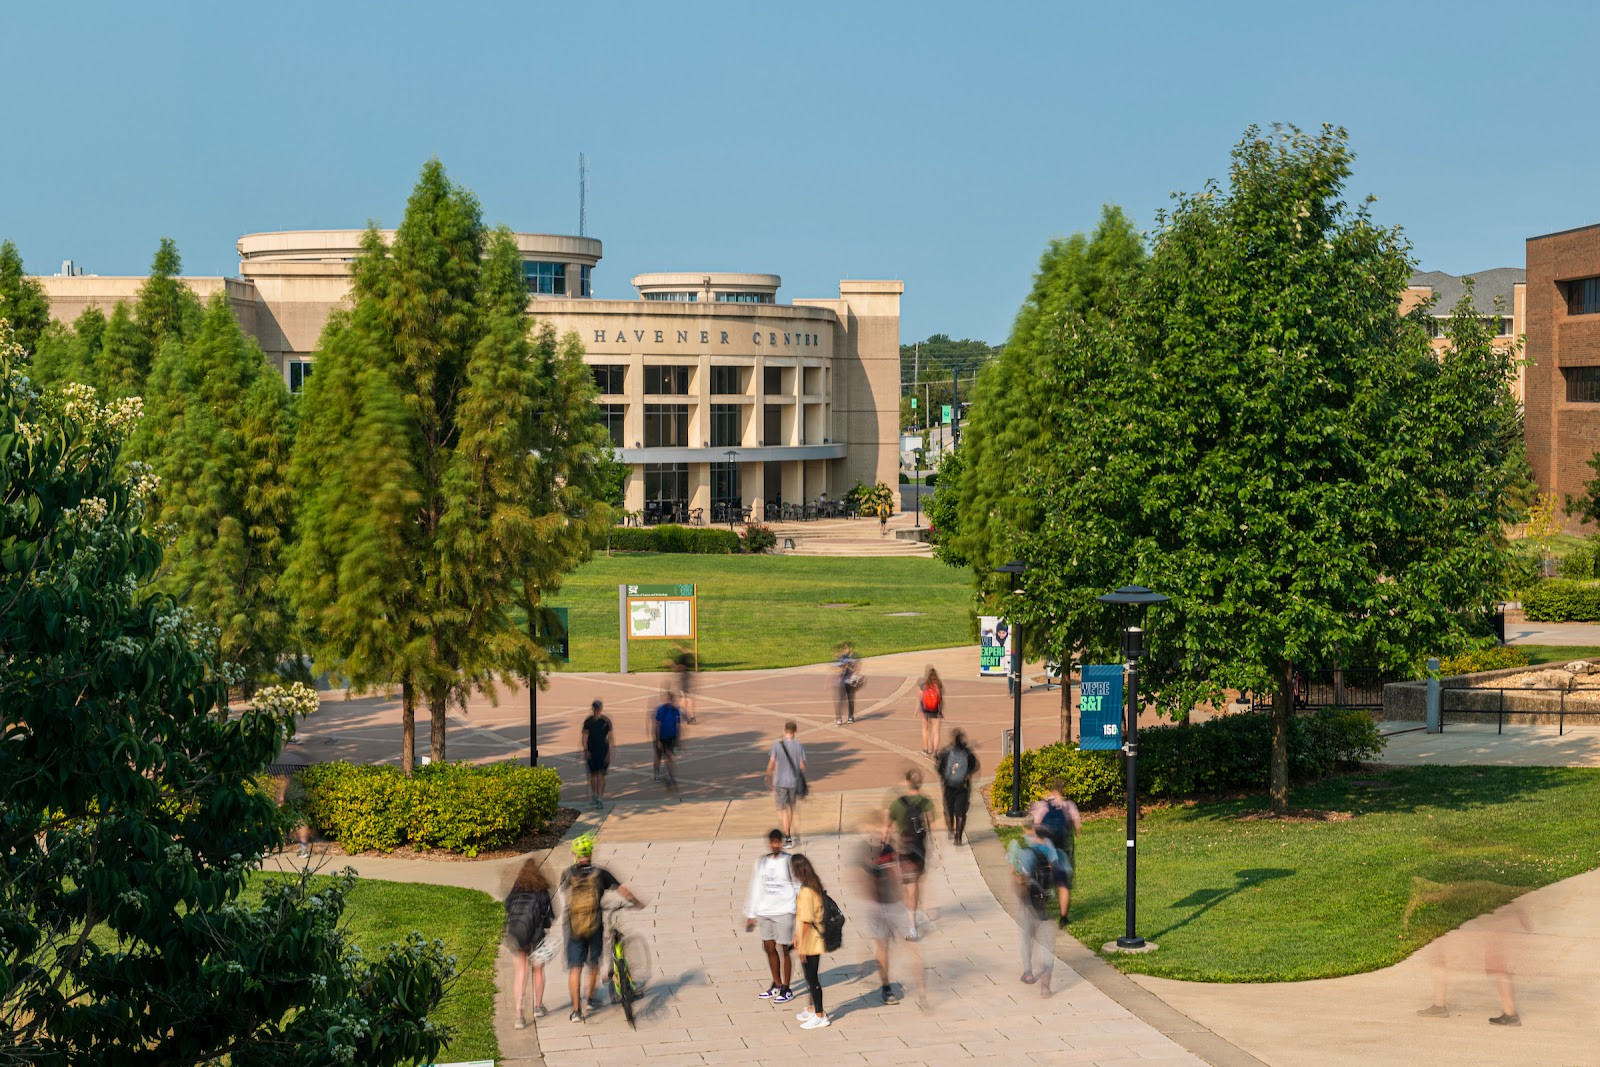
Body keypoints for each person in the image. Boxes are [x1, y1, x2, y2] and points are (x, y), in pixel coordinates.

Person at [560, 833, 642, 1023]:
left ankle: (576, 1011)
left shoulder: (567, 874)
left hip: (574, 925)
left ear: (575, 854)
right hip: (594, 923)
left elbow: (566, 894)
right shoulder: (600, 873)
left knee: (575, 967)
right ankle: (589, 1000)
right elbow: (622, 889)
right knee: (593, 963)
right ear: (590, 853)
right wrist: (636, 902)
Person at [857, 817, 923, 1007]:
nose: (882, 833)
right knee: (883, 946)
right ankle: (886, 987)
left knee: (906, 946)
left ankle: (918, 987)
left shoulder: (890, 850)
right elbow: (861, 879)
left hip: (894, 905)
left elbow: (899, 873)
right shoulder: (866, 852)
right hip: (877, 907)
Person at [744, 829, 800, 1005]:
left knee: (785, 949)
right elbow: (755, 885)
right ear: (769, 843)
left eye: (778, 842)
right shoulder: (761, 862)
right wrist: (751, 913)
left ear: (782, 842)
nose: (776, 845)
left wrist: (798, 910)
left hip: (784, 911)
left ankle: (786, 987)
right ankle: (776, 983)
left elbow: (798, 885)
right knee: (768, 947)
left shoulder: (789, 861)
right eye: (773, 842)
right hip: (764, 911)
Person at [1007, 823, 1063, 995]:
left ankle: (1028, 972)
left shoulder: (1016, 845)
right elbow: (1056, 870)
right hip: (1045, 899)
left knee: (1026, 937)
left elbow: (1014, 873)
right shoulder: (1048, 845)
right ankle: (1045, 984)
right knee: (1047, 943)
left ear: (1024, 830)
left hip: (1027, 901)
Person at [504, 857, 556, 1027]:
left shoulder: (516, 889)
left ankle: (518, 1015)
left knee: (520, 972)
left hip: (518, 934)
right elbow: (550, 916)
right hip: (536, 934)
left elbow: (507, 907)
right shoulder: (542, 890)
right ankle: (538, 1007)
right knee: (538, 970)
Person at [885, 769, 935, 940]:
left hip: (903, 849)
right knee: (915, 883)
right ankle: (915, 914)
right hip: (920, 849)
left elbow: (886, 827)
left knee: (907, 886)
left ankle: (911, 923)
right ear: (920, 783)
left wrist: (884, 842)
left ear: (907, 782)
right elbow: (932, 827)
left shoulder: (897, 803)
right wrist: (936, 847)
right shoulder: (926, 803)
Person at [1028, 778, 1081, 925]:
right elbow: (1077, 827)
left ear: (1050, 791)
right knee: (1063, 884)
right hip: (1061, 849)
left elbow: (1035, 825)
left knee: (1041, 877)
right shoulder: (1069, 806)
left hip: (1043, 848)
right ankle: (1064, 918)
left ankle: (1041, 908)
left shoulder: (1042, 805)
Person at [790, 853, 832, 1029]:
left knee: (812, 978)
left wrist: (801, 946)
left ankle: (820, 1014)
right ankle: (811, 1008)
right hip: (813, 937)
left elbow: (806, 920)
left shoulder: (807, 891)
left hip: (811, 941)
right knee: (809, 977)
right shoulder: (813, 885)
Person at [765, 721, 807, 847]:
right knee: (791, 808)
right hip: (793, 782)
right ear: (795, 732)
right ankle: (796, 836)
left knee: (781, 810)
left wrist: (768, 775)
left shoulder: (776, 745)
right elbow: (802, 766)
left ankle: (787, 836)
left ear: (784, 731)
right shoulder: (799, 746)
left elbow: (771, 763)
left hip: (780, 782)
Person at [935, 729, 979, 845]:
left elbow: (939, 769)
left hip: (949, 785)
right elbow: (974, 766)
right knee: (961, 812)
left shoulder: (946, 752)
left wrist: (945, 776)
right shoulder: (968, 753)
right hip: (963, 786)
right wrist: (967, 774)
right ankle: (958, 838)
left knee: (948, 808)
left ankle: (950, 829)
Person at [652, 689, 691, 788]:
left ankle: (669, 775)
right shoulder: (662, 710)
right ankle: (656, 771)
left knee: (669, 757)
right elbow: (657, 725)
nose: (675, 702)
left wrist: (678, 740)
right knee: (658, 756)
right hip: (661, 737)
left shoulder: (676, 711)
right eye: (673, 701)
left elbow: (678, 725)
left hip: (671, 737)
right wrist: (658, 740)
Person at [580, 699, 613, 808]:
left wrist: (609, 752)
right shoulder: (588, 721)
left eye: (598, 708)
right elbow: (584, 736)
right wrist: (585, 750)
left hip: (603, 751)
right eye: (595, 708)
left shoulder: (606, 721)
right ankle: (594, 795)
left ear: (601, 709)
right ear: (593, 709)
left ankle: (600, 798)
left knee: (601, 775)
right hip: (591, 752)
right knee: (593, 776)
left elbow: (611, 737)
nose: (597, 710)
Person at [917, 666, 944, 755]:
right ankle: (935, 751)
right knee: (936, 732)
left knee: (925, 729)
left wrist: (918, 709)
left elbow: (920, 698)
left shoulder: (923, 685)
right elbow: (940, 699)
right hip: (936, 710)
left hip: (925, 710)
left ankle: (926, 749)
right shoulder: (939, 685)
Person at [834, 642, 860, 726]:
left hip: (850, 681)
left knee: (850, 699)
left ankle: (851, 716)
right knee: (839, 700)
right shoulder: (841, 658)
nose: (845, 650)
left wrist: (849, 668)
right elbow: (837, 670)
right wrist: (841, 669)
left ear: (850, 649)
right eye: (844, 649)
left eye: (846, 648)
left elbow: (856, 668)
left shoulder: (853, 657)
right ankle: (838, 718)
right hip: (841, 682)